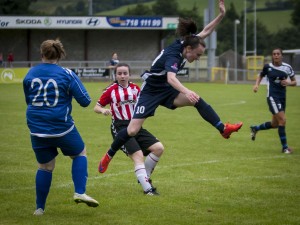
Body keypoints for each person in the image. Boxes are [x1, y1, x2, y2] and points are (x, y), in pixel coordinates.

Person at [99, 0, 243, 177]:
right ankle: (108, 155)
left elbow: (205, 32)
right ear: (189, 49)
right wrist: (186, 91)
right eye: (197, 55)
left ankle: (223, 128)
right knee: (132, 130)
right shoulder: (173, 55)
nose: (198, 58)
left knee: (196, 99)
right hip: (150, 91)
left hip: (165, 89)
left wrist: (221, 15)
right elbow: (171, 78)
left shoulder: (188, 43)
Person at [23, 39, 99, 216]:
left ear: (41, 54)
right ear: (60, 54)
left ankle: (39, 208)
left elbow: (29, 100)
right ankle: (80, 191)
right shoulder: (66, 74)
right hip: (60, 126)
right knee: (80, 152)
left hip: (36, 127)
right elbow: (85, 101)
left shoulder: (30, 73)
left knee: (45, 166)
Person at [94, 63, 163, 195]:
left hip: (136, 125)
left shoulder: (136, 89)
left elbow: (143, 104)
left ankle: (145, 177)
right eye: (119, 73)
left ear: (129, 74)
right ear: (116, 75)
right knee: (138, 156)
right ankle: (148, 190)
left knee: (158, 148)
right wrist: (103, 110)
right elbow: (96, 107)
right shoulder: (111, 90)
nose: (122, 76)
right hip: (120, 127)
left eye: (125, 73)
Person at [250, 47, 297, 154]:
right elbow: (260, 75)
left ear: (281, 56)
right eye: (274, 54)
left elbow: (295, 82)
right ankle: (285, 148)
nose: (276, 55)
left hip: (282, 97)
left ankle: (255, 128)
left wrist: (288, 83)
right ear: (272, 56)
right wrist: (256, 85)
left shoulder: (287, 67)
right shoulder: (268, 67)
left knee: (275, 124)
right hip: (272, 97)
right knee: (283, 120)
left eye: (278, 54)